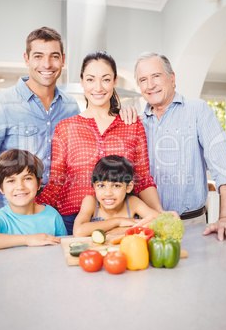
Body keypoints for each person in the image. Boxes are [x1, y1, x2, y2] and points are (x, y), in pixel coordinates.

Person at [36, 51, 169, 235]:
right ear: (82, 81)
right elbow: (56, 182)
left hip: (123, 223)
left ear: (115, 82)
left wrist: (160, 213)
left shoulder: (132, 125)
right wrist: (29, 211)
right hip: (73, 222)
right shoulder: (65, 128)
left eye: (105, 79)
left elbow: (142, 179)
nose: (98, 87)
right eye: (90, 79)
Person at [121, 52, 226, 242]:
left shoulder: (198, 110)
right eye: (143, 79)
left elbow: (225, 170)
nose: (150, 85)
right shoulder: (136, 122)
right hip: (145, 226)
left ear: (172, 78)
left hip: (190, 226)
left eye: (156, 76)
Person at [0, 27, 80, 223]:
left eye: (54, 56)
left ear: (63, 59)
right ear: (26, 59)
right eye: (38, 56)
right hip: (17, 217)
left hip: (64, 215)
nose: (47, 64)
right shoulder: (0, 104)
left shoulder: (71, 106)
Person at [0, 149, 67, 251]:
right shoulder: (1, 218)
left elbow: (63, 249)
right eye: (11, 180)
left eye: (27, 178)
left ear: (39, 183)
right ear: (1, 188)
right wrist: (28, 239)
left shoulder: (52, 215)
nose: (20, 186)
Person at [73, 155, 160, 237]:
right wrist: (118, 221)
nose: (108, 193)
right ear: (94, 186)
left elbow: (161, 223)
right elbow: (78, 232)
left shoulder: (132, 202)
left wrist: (125, 230)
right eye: (101, 185)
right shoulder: (90, 202)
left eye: (116, 186)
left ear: (128, 187)